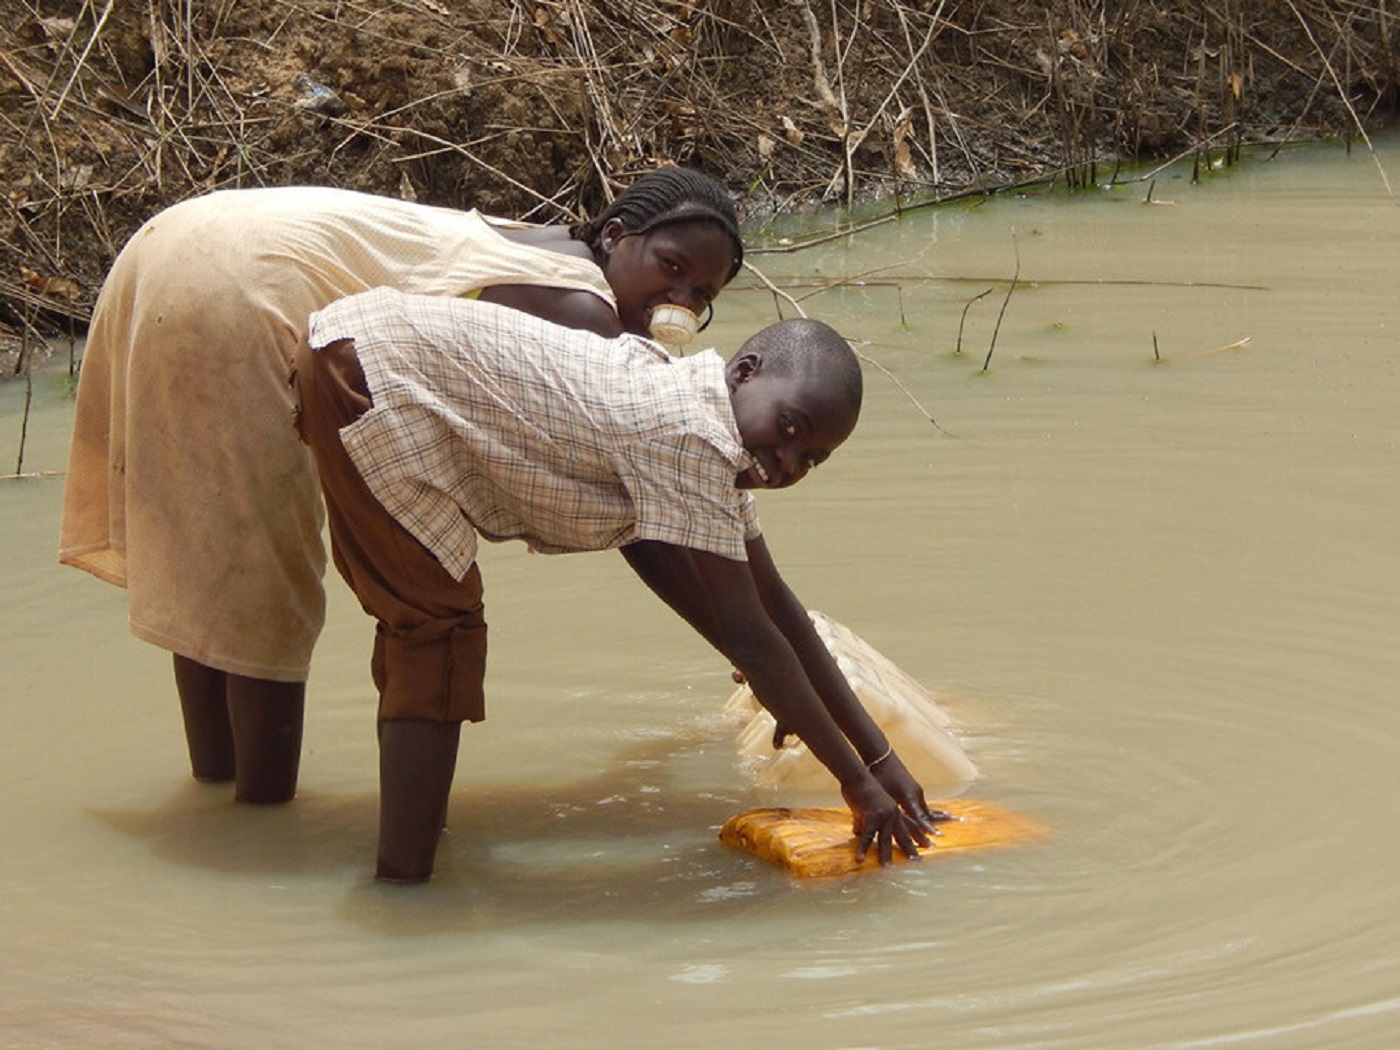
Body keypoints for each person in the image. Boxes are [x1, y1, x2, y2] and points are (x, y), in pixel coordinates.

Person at [58, 169, 744, 807]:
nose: (675, 302)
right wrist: (746, 645)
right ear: (617, 236)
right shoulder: (585, 312)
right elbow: (646, 521)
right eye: (671, 270)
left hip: (173, 243)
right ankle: (261, 826)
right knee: (271, 583)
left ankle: (215, 795)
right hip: (246, 286)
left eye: (699, 296)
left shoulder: (538, 241)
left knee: (217, 552)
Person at [292, 286, 944, 882]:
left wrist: (883, 760)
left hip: (362, 349)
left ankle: (414, 853)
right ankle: (403, 888)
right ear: (744, 375)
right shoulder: (692, 433)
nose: (785, 464)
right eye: (791, 430)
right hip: (373, 371)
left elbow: (778, 609)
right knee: (435, 632)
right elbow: (751, 639)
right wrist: (856, 784)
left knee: (432, 628)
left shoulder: (714, 439)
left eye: (810, 460)